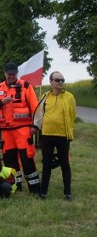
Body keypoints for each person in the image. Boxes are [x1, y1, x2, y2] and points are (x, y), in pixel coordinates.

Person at [0, 62, 41, 194]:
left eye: (13, 74)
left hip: (22, 130)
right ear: (4, 74)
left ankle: (35, 188)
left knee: (27, 159)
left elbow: (36, 108)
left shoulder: (25, 86)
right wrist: (0, 101)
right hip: (6, 131)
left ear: (16, 74)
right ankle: (15, 185)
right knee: (9, 161)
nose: (11, 76)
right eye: (9, 74)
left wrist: (35, 126)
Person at [34, 71, 76, 200]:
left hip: (63, 135)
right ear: (51, 81)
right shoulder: (46, 96)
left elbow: (72, 114)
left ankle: (67, 193)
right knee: (47, 163)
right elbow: (39, 114)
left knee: (65, 164)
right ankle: (43, 192)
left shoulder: (69, 97)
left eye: (62, 80)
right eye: (57, 80)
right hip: (47, 135)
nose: (60, 82)